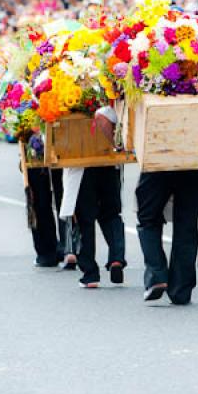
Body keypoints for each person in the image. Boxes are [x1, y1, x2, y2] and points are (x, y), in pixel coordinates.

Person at [136, 169, 198, 304]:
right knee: (187, 224)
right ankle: (181, 290)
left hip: (158, 162)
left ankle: (156, 275)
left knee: (148, 218)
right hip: (196, 163)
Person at [72, 111, 127, 288]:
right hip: (107, 162)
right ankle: (117, 258)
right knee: (111, 214)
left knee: (85, 219)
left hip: (81, 165)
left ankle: (90, 274)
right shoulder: (107, 100)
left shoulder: (68, 100)